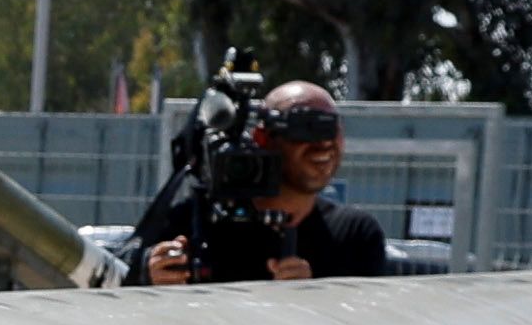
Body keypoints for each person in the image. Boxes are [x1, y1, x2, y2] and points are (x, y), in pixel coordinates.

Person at [137, 77, 390, 284]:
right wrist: (150, 275)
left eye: (331, 129)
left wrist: (317, 298)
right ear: (263, 137)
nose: (323, 144)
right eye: (306, 127)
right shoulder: (195, 223)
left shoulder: (356, 236)